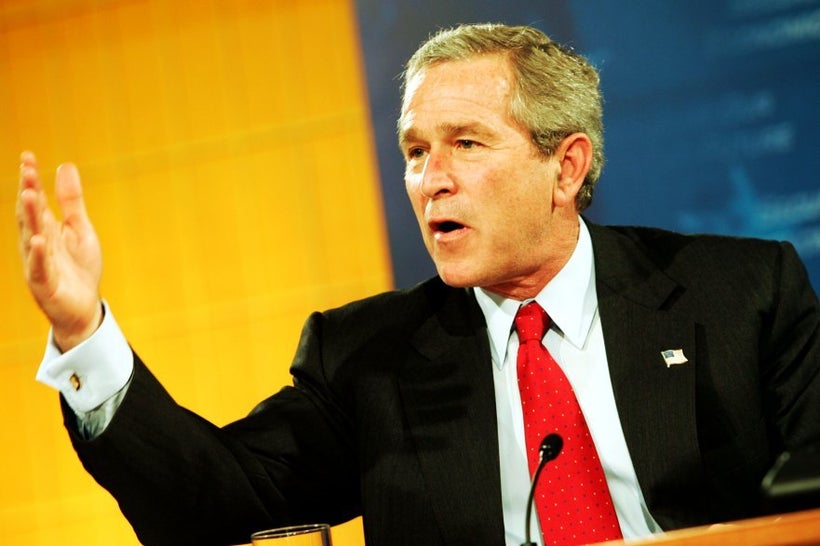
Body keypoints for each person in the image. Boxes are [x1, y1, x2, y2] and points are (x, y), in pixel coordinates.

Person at [16, 23, 820, 546]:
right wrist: (86, 334)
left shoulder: (740, 295)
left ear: (565, 167)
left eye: (465, 143)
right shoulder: (370, 357)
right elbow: (211, 500)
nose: (429, 179)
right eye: (413, 151)